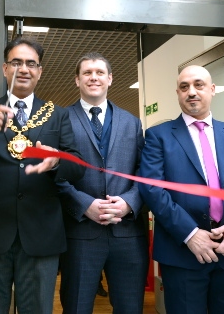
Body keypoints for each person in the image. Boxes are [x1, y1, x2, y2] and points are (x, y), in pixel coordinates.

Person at [0, 37, 85, 314]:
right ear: (5, 68)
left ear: (39, 71)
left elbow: (78, 167)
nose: (23, 69)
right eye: (16, 62)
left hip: (41, 231)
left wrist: (56, 162)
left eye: (31, 63)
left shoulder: (57, 115)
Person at [138, 65, 224, 314]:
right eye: (184, 87)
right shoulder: (158, 136)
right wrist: (190, 233)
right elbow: (152, 189)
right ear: (177, 94)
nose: (191, 92)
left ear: (212, 90)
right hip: (183, 256)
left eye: (198, 85)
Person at [58, 53, 148, 314]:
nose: (93, 77)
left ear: (110, 79)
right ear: (77, 80)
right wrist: (85, 204)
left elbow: (145, 173)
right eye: (87, 73)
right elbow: (54, 175)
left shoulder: (132, 122)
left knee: (130, 308)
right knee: (76, 308)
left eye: (99, 72)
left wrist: (129, 203)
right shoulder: (61, 120)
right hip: (80, 234)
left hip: (128, 234)